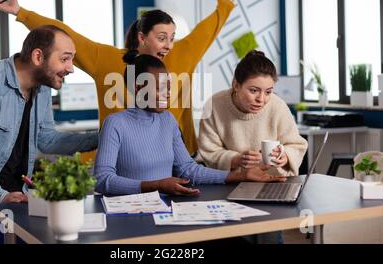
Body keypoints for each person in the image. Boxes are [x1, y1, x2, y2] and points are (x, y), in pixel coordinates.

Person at [0, 0, 236, 156]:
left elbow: (204, 33)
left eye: (172, 38)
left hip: (172, 157)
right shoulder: (107, 60)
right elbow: (65, 35)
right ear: (142, 37)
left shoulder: (181, 54)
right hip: (120, 160)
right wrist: (22, 13)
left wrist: (223, 9)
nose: (169, 45)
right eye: (162, 38)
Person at [0, 25, 98, 244]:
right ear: (38, 56)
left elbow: (46, 138)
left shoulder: (42, 88)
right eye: (65, 59)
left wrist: (99, 138)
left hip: (14, 197)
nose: (70, 69)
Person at [93, 54, 285, 196]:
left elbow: (188, 169)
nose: (168, 93)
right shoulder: (115, 124)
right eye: (160, 87)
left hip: (167, 209)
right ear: (138, 87)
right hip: (129, 213)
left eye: (168, 86)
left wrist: (242, 175)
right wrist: (157, 185)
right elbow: (102, 180)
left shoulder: (167, 120)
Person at [197, 50, 308, 176]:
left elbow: (297, 145)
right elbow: (209, 150)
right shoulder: (214, 105)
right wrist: (236, 159)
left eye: (268, 92)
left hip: (274, 181)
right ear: (236, 85)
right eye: (254, 90)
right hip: (233, 182)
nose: (261, 99)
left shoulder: (278, 106)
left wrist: (285, 156)